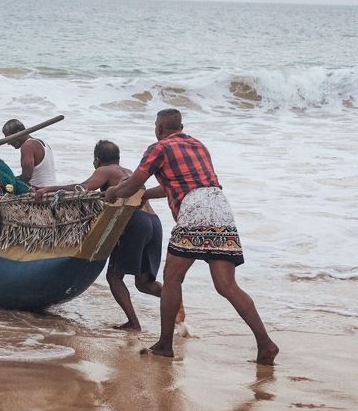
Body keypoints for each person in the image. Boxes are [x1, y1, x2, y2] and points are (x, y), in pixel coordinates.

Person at [104, 109, 279, 365]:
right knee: (227, 286)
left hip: (195, 212)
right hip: (220, 206)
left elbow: (131, 185)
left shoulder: (158, 148)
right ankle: (266, 344)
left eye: (156, 126)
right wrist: (145, 196)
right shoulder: (198, 145)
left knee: (172, 278)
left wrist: (114, 192)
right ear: (181, 126)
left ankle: (165, 344)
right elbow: (175, 185)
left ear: (159, 129)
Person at [37, 140, 180, 330]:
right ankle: (175, 299)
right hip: (153, 221)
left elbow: (83, 187)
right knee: (145, 283)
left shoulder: (105, 170)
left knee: (114, 276)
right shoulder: (128, 171)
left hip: (134, 221)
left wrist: (49, 189)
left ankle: (134, 323)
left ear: (97, 160)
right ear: (118, 158)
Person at [1, 118, 57, 187]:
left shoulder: (27, 146)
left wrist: (8, 181)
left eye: (8, 138)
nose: (8, 143)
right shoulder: (43, 143)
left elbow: (26, 177)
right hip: (52, 186)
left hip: (39, 189)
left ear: (18, 133)